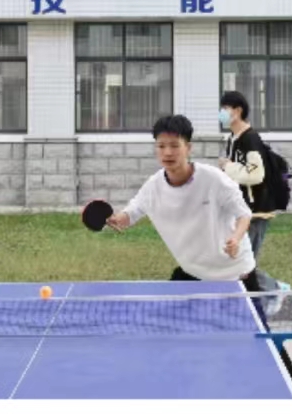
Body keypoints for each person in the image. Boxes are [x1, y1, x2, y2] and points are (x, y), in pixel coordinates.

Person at [105, 115, 275, 314]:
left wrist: (236, 239)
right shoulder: (153, 187)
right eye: (161, 146)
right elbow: (130, 215)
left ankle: (272, 295)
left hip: (235, 274)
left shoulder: (214, 179)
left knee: (253, 330)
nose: (168, 152)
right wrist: (114, 219)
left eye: (174, 146)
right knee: (170, 323)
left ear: (188, 148)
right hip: (194, 272)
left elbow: (243, 214)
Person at [218, 90, 292, 297]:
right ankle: (271, 291)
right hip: (241, 210)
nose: (221, 113)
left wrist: (228, 166)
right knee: (238, 263)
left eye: (225, 108)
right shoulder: (234, 138)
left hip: (256, 211)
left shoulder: (250, 139)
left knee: (243, 265)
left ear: (237, 111)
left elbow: (256, 174)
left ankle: (275, 290)